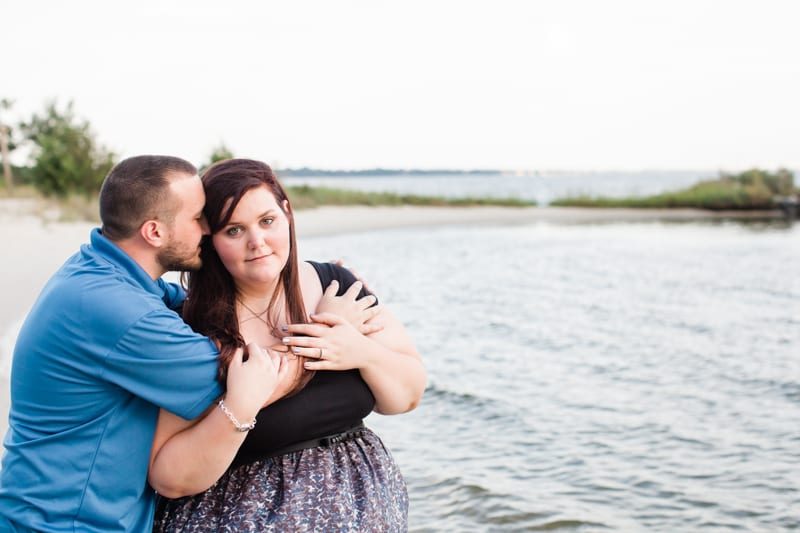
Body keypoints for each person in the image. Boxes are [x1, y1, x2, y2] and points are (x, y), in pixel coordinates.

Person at [0, 155, 369, 533]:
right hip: (65, 523)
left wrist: (305, 284)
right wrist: (327, 329)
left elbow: (177, 299)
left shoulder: (101, 274)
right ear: (155, 233)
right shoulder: (121, 310)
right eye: (197, 218)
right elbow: (249, 381)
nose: (208, 230)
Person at [150, 158, 426, 532]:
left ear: (287, 213)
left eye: (267, 221)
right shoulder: (194, 329)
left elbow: (405, 397)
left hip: (368, 505)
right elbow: (170, 477)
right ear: (210, 241)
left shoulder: (337, 287)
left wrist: (360, 351)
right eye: (234, 230)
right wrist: (239, 404)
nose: (257, 243)